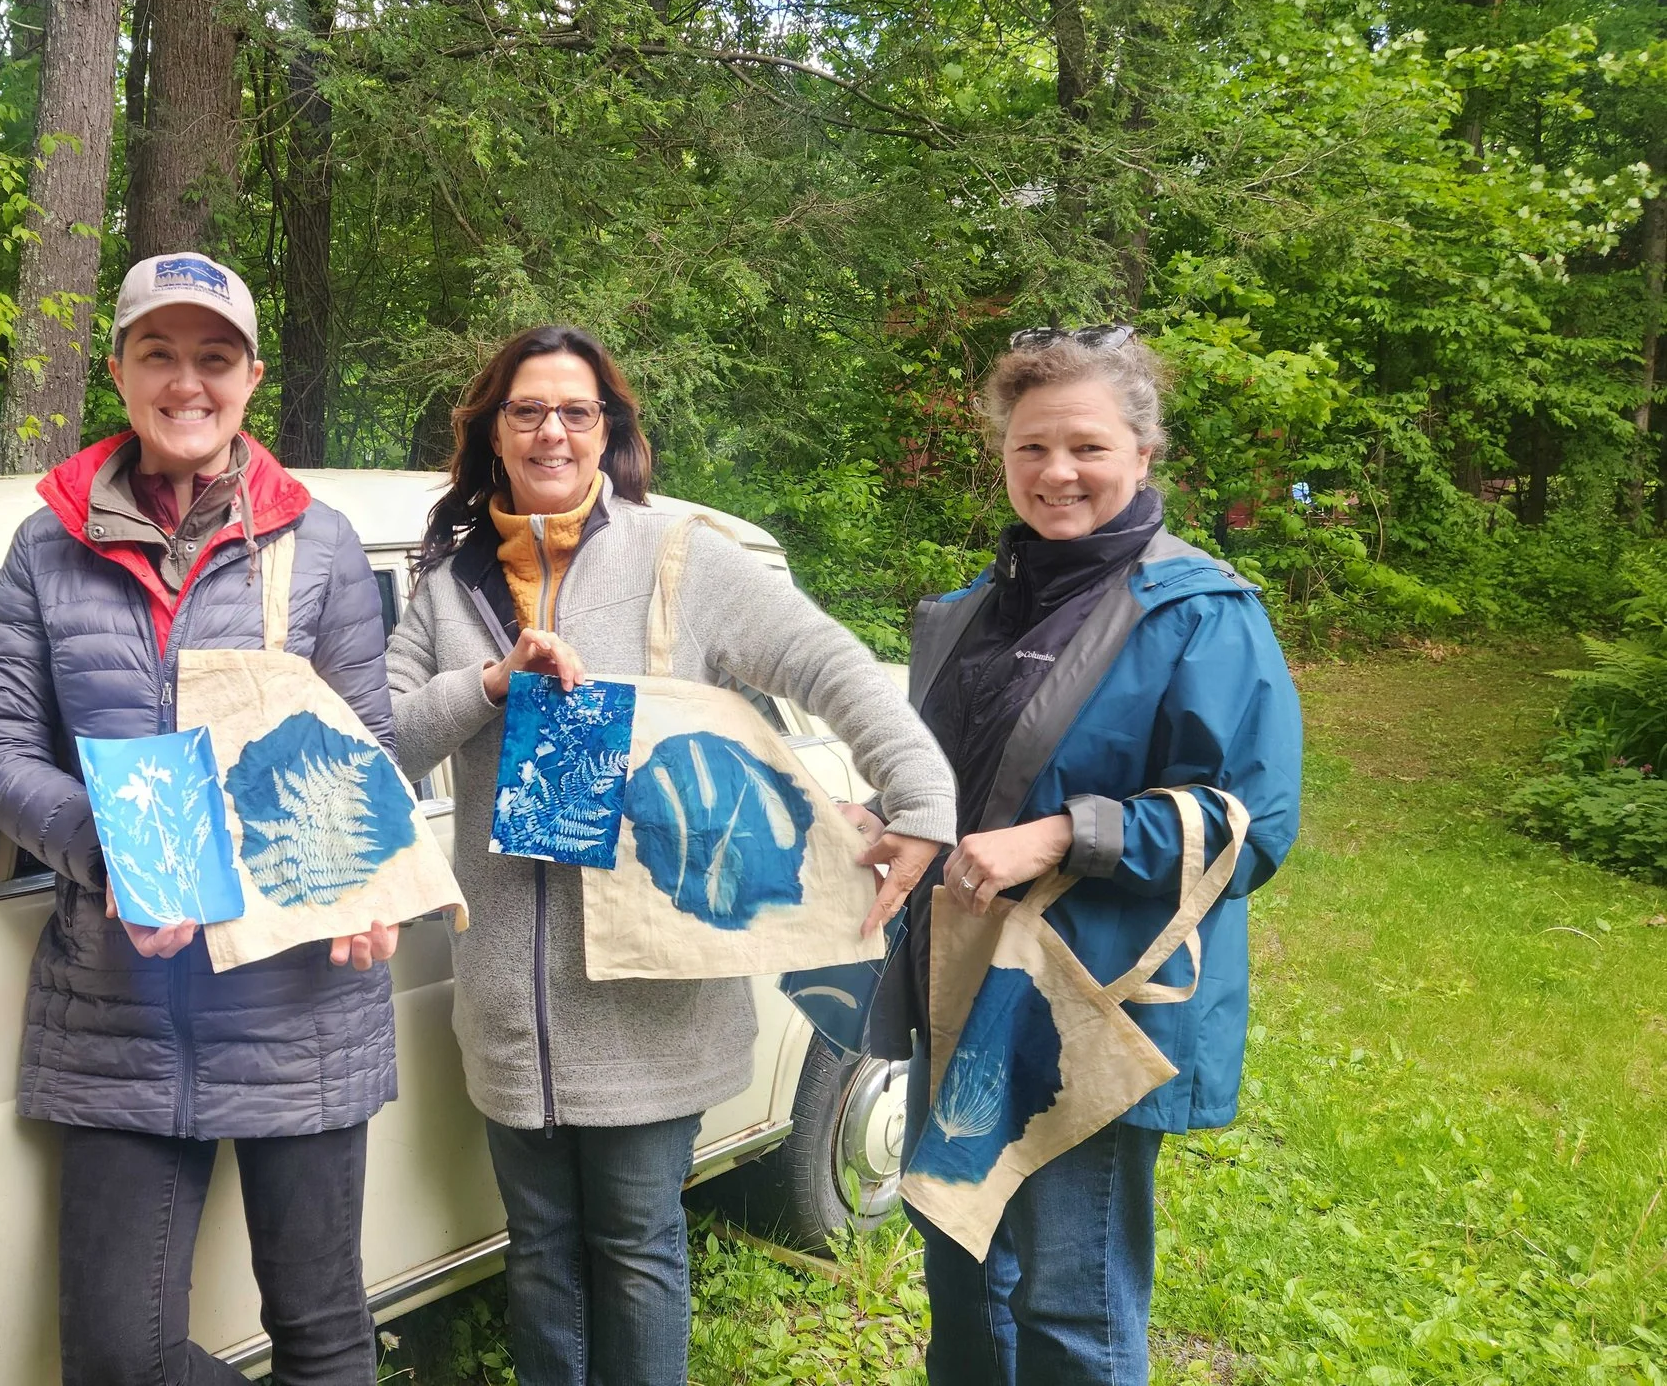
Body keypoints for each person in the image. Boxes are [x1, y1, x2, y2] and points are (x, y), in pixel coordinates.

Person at [384, 323, 956, 1385]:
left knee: (638, 1249)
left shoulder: (682, 559)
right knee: (543, 1256)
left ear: (609, 431)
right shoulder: (448, 587)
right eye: (526, 411)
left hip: (651, 997)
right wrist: (488, 685)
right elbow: (372, 743)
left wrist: (920, 795)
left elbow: (829, 663)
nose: (551, 430)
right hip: (510, 1004)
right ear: (492, 434)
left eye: (576, 411)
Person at [0, 252, 400, 1386]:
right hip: (117, 1001)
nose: (186, 380)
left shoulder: (321, 543)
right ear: (118, 371)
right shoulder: (45, 545)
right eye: (158, 352)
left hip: (297, 1000)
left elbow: (359, 746)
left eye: (214, 356)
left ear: (252, 377)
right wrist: (103, 849)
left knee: (319, 1331)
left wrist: (362, 883)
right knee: (118, 1357)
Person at [869, 325, 1302, 1385]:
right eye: (1031, 448)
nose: (1057, 472)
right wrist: (898, 828)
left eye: (1087, 447)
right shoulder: (968, 614)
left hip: (1089, 1001)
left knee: (1070, 1303)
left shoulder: (1201, 614)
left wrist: (1065, 835)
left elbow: (1248, 823)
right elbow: (960, 791)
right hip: (962, 986)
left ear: (1143, 454)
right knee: (960, 1271)